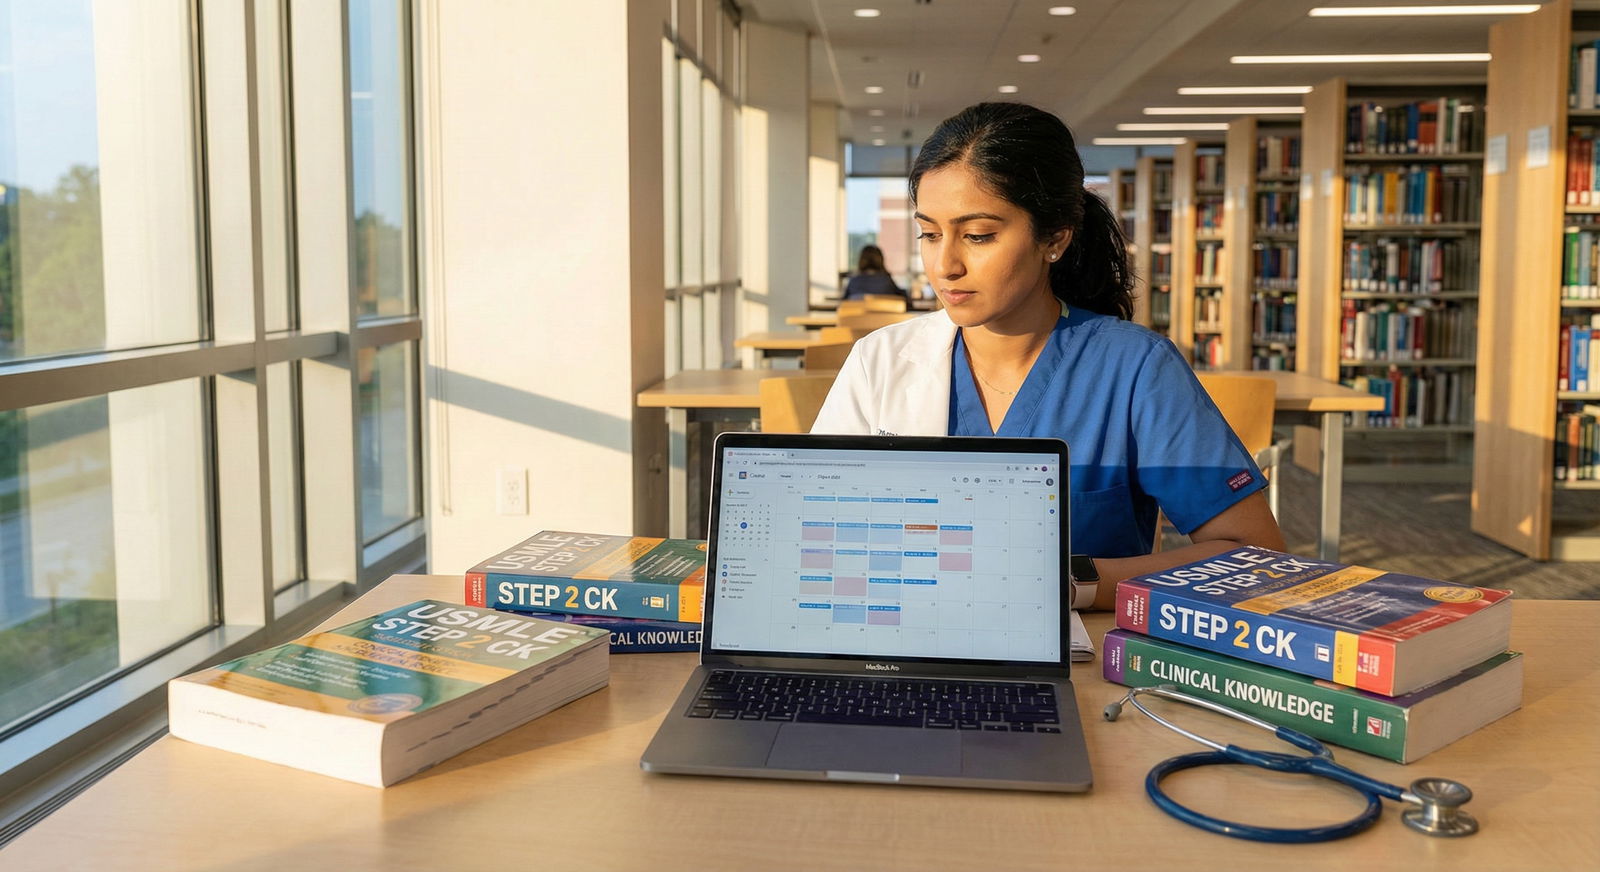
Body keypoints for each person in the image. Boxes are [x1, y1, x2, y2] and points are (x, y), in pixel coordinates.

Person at [811, 102, 1285, 610]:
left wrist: (1067, 582)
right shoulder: (879, 362)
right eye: (929, 234)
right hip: (903, 635)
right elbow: (814, 534)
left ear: (1054, 238)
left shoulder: (1136, 370)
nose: (945, 265)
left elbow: (1256, 556)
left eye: (978, 236)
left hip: (1079, 651)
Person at [841, 244, 908, 302]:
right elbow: (904, 301)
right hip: (884, 313)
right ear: (881, 260)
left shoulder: (853, 282)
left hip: (857, 313)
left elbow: (843, 304)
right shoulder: (887, 281)